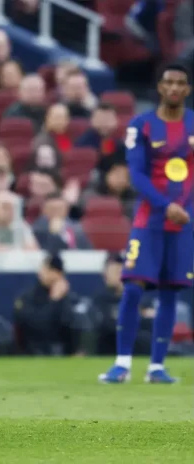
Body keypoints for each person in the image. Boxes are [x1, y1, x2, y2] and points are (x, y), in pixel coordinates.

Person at [99, 63, 193, 384]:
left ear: (187, 90)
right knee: (133, 287)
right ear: (160, 87)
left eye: (180, 83)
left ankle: (156, 367)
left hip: (184, 221)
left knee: (170, 291)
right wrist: (166, 206)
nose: (174, 88)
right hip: (149, 220)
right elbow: (137, 175)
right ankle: (122, 364)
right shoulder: (142, 125)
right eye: (169, 82)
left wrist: (185, 209)